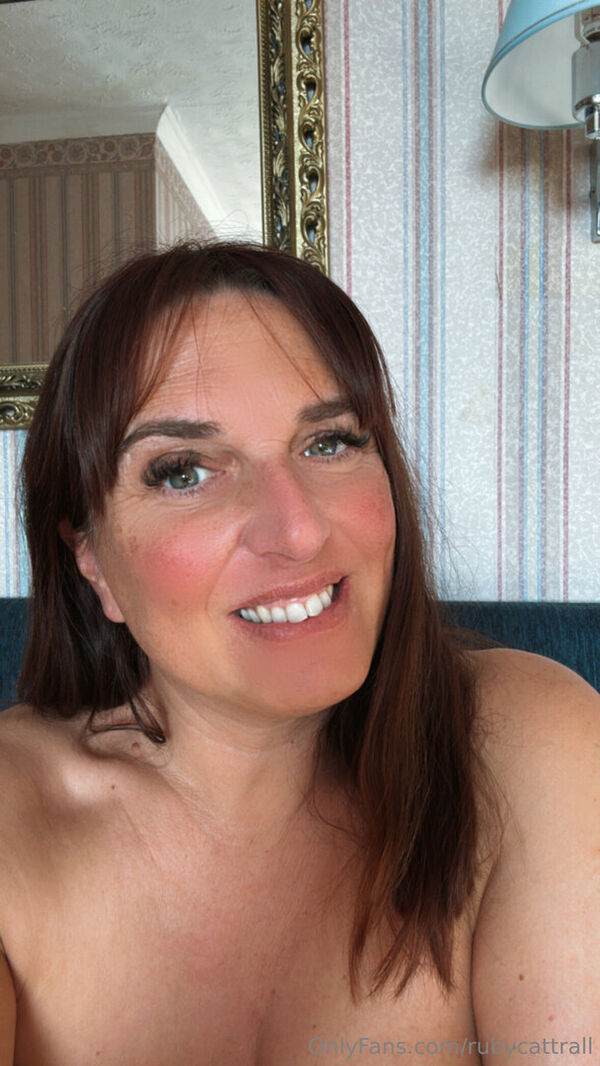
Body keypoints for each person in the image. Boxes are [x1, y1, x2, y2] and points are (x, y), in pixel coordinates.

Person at [0, 241, 597, 1066]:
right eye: (183, 471)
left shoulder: (527, 743)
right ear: (91, 558)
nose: (300, 529)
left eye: (328, 443)